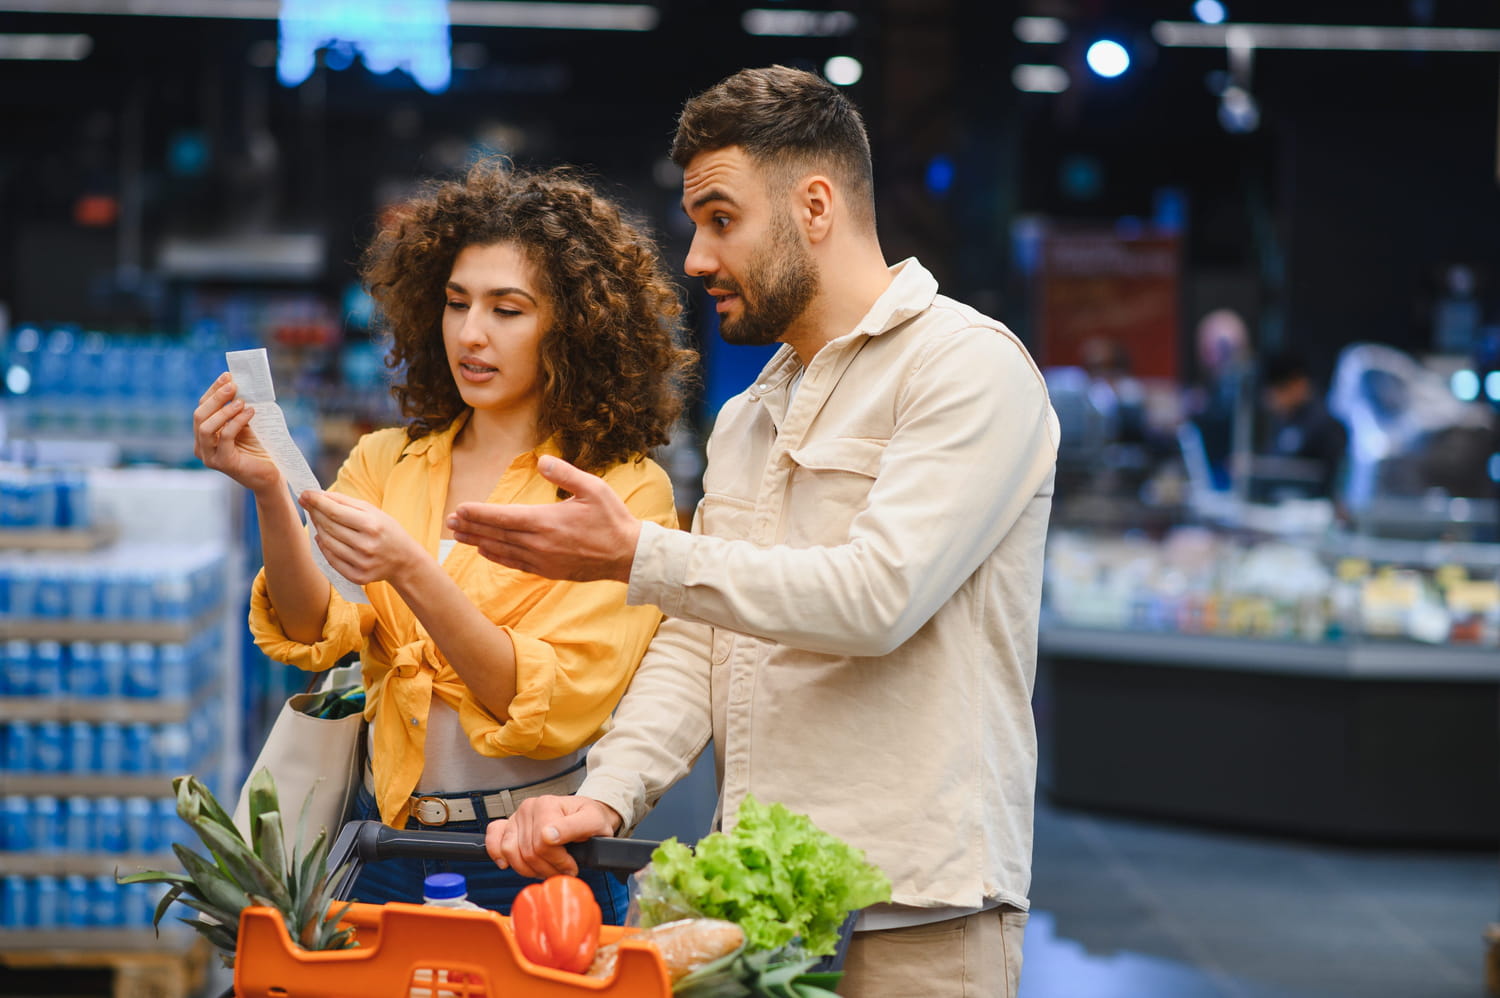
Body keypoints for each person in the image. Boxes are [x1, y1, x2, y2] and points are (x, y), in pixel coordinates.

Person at [454, 67, 1059, 996]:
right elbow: (701, 640)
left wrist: (637, 555)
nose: (695, 256)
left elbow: (876, 599)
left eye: (721, 219)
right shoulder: (750, 416)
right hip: (755, 913)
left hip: (916, 924)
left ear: (815, 205)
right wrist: (606, 793)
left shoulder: (967, 370)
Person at [191, 162, 695, 919]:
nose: (471, 333)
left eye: (508, 309)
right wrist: (269, 491)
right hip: (382, 851)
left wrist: (411, 569)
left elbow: (549, 706)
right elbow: (314, 630)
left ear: (577, 324)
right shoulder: (387, 460)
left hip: (536, 861)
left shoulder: (619, 494)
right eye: (457, 304)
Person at [1257, 349, 1348, 499]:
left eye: (1278, 391)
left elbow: (1331, 485)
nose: (1271, 401)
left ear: (1298, 383)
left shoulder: (1328, 426)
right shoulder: (1283, 422)